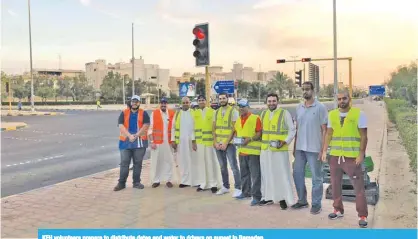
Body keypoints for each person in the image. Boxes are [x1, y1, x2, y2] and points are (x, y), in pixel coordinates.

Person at [321, 90, 368, 228]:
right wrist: (324, 150)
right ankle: (338, 209)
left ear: (349, 99)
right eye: (339, 99)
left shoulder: (359, 114)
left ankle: (362, 215)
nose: (342, 101)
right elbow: (329, 134)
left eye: (344, 98)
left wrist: (361, 154)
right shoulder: (332, 114)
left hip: (352, 157)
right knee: (335, 184)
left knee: (358, 187)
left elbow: (364, 136)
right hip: (335, 156)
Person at [292, 81, 328, 214]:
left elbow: (325, 130)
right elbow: (298, 128)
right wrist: (295, 147)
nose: (305, 92)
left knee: (316, 177)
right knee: (297, 174)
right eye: (303, 89)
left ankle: (316, 204)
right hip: (300, 148)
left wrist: (323, 150)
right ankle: (302, 200)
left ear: (313, 91)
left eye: (307, 89)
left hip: (314, 149)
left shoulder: (320, 107)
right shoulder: (299, 107)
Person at [259, 93, 296, 209]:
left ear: (277, 101)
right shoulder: (263, 114)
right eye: (269, 101)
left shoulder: (284, 113)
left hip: (279, 150)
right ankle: (268, 197)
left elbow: (292, 130)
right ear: (266, 102)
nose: (271, 103)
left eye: (273, 101)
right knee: (267, 174)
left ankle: (283, 198)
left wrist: (285, 141)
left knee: (281, 174)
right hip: (266, 150)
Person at [228, 99, 262, 206]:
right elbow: (237, 133)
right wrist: (236, 140)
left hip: (253, 152)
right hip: (242, 151)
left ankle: (256, 197)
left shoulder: (255, 118)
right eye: (240, 106)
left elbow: (259, 132)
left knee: (255, 175)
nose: (241, 108)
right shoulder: (238, 120)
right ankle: (246, 192)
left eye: (243, 106)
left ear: (248, 106)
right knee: (244, 174)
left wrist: (250, 139)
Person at [114, 95, 150, 191]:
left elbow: (146, 125)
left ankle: (136, 182)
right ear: (130, 102)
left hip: (139, 143)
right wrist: (129, 136)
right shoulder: (124, 113)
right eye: (133, 101)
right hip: (125, 143)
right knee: (124, 163)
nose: (134, 103)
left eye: (136, 101)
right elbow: (121, 125)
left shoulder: (144, 113)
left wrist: (136, 135)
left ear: (139, 103)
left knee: (137, 163)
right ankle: (121, 183)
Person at [213, 92, 242, 197]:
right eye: (220, 98)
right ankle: (225, 186)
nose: (222, 100)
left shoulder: (233, 111)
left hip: (229, 144)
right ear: (218, 100)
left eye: (224, 98)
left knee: (234, 166)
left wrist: (226, 142)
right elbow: (214, 128)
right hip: (218, 144)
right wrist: (215, 142)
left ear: (227, 99)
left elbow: (234, 129)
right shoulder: (216, 112)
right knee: (222, 166)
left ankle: (238, 187)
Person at [193, 95, 222, 193]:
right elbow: (192, 128)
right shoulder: (195, 113)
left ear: (206, 101)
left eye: (203, 100)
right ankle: (203, 183)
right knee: (201, 163)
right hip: (199, 142)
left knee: (211, 163)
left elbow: (215, 128)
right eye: (199, 100)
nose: (201, 102)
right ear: (197, 102)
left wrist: (216, 141)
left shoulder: (212, 112)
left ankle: (213, 184)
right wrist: (193, 141)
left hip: (210, 142)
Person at [148, 97, 175, 188]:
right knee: (157, 162)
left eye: (165, 103)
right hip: (157, 142)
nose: (163, 105)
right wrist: (151, 141)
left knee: (169, 161)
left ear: (167, 104)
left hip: (169, 142)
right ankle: (156, 180)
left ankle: (169, 180)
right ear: (160, 104)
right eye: (162, 103)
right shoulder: (154, 113)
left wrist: (174, 141)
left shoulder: (171, 113)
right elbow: (150, 128)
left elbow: (174, 128)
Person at [171, 96, 198, 188]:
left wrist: (195, 141)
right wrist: (173, 140)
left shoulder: (194, 113)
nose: (185, 104)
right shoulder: (177, 114)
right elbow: (173, 128)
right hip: (181, 142)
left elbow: (196, 127)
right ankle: (184, 181)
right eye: (184, 102)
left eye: (187, 102)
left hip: (192, 141)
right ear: (181, 103)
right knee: (182, 161)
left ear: (189, 103)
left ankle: (195, 180)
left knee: (193, 160)